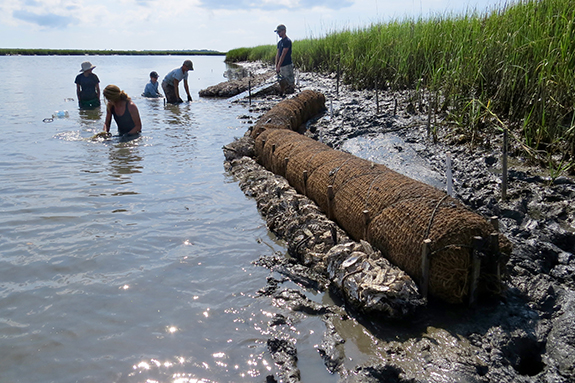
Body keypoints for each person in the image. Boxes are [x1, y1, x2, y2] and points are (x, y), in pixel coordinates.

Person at [274, 24, 295, 94]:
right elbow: (278, 54)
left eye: (279, 32)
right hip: (281, 66)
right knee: (282, 81)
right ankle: (284, 92)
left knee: (289, 81)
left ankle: (291, 93)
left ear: (284, 31)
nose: (278, 33)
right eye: (277, 32)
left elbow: (283, 54)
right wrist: (276, 66)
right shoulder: (279, 43)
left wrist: (279, 65)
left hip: (287, 65)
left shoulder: (287, 41)